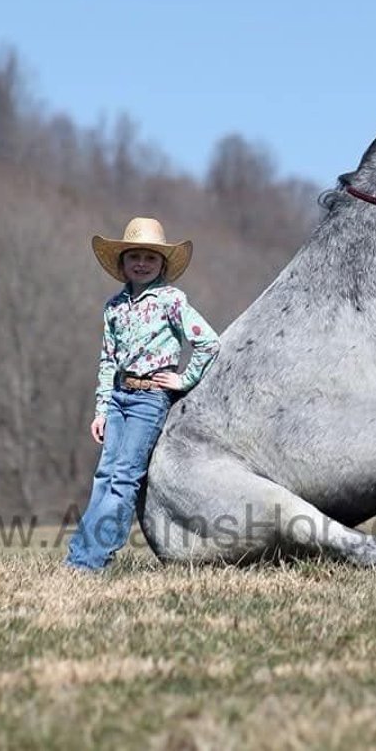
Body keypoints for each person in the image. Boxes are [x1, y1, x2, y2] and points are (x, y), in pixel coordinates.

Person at [65, 217, 221, 571]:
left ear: (163, 264)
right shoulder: (114, 307)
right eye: (134, 256)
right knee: (104, 476)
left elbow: (208, 342)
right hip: (119, 396)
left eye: (150, 258)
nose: (141, 263)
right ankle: (79, 556)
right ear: (121, 264)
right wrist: (101, 409)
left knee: (123, 478)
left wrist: (184, 379)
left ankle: (90, 562)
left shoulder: (171, 300)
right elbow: (107, 360)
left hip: (149, 399)